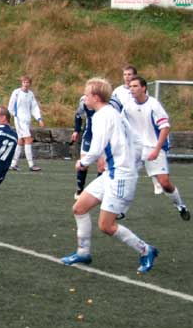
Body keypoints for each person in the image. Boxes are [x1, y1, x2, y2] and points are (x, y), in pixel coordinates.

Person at [61, 78, 159, 273]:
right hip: (112, 173)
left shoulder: (102, 116)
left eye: (86, 94)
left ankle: (146, 249)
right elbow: (137, 141)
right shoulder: (113, 113)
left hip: (121, 176)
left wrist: (83, 162)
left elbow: (96, 148)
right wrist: (134, 161)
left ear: (95, 97)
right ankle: (83, 252)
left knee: (106, 226)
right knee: (79, 208)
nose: (84, 98)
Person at [123, 76, 189, 220]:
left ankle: (180, 205)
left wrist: (157, 150)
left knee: (164, 183)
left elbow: (165, 128)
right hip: (136, 148)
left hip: (154, 146)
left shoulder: (154, 105)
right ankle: (120, 209)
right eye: (130, 86)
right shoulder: (128, 107)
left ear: (143, 88)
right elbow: (121, 126)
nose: (131, 89)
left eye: (135, 86)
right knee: (126, 177)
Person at [7, 76, 44, 171]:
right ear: (21, 83)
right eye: (24, 82)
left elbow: (34, 107)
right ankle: (31, 165)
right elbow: (11, 105)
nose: (25, 84)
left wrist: (39, 119)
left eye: (27, 82)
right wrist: (14, 115)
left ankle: (13, 164)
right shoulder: (16, 92)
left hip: (27, 120)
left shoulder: (31, 94)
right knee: (28, 139)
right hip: (20, 120)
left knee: (21, 141)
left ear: (30, 84)